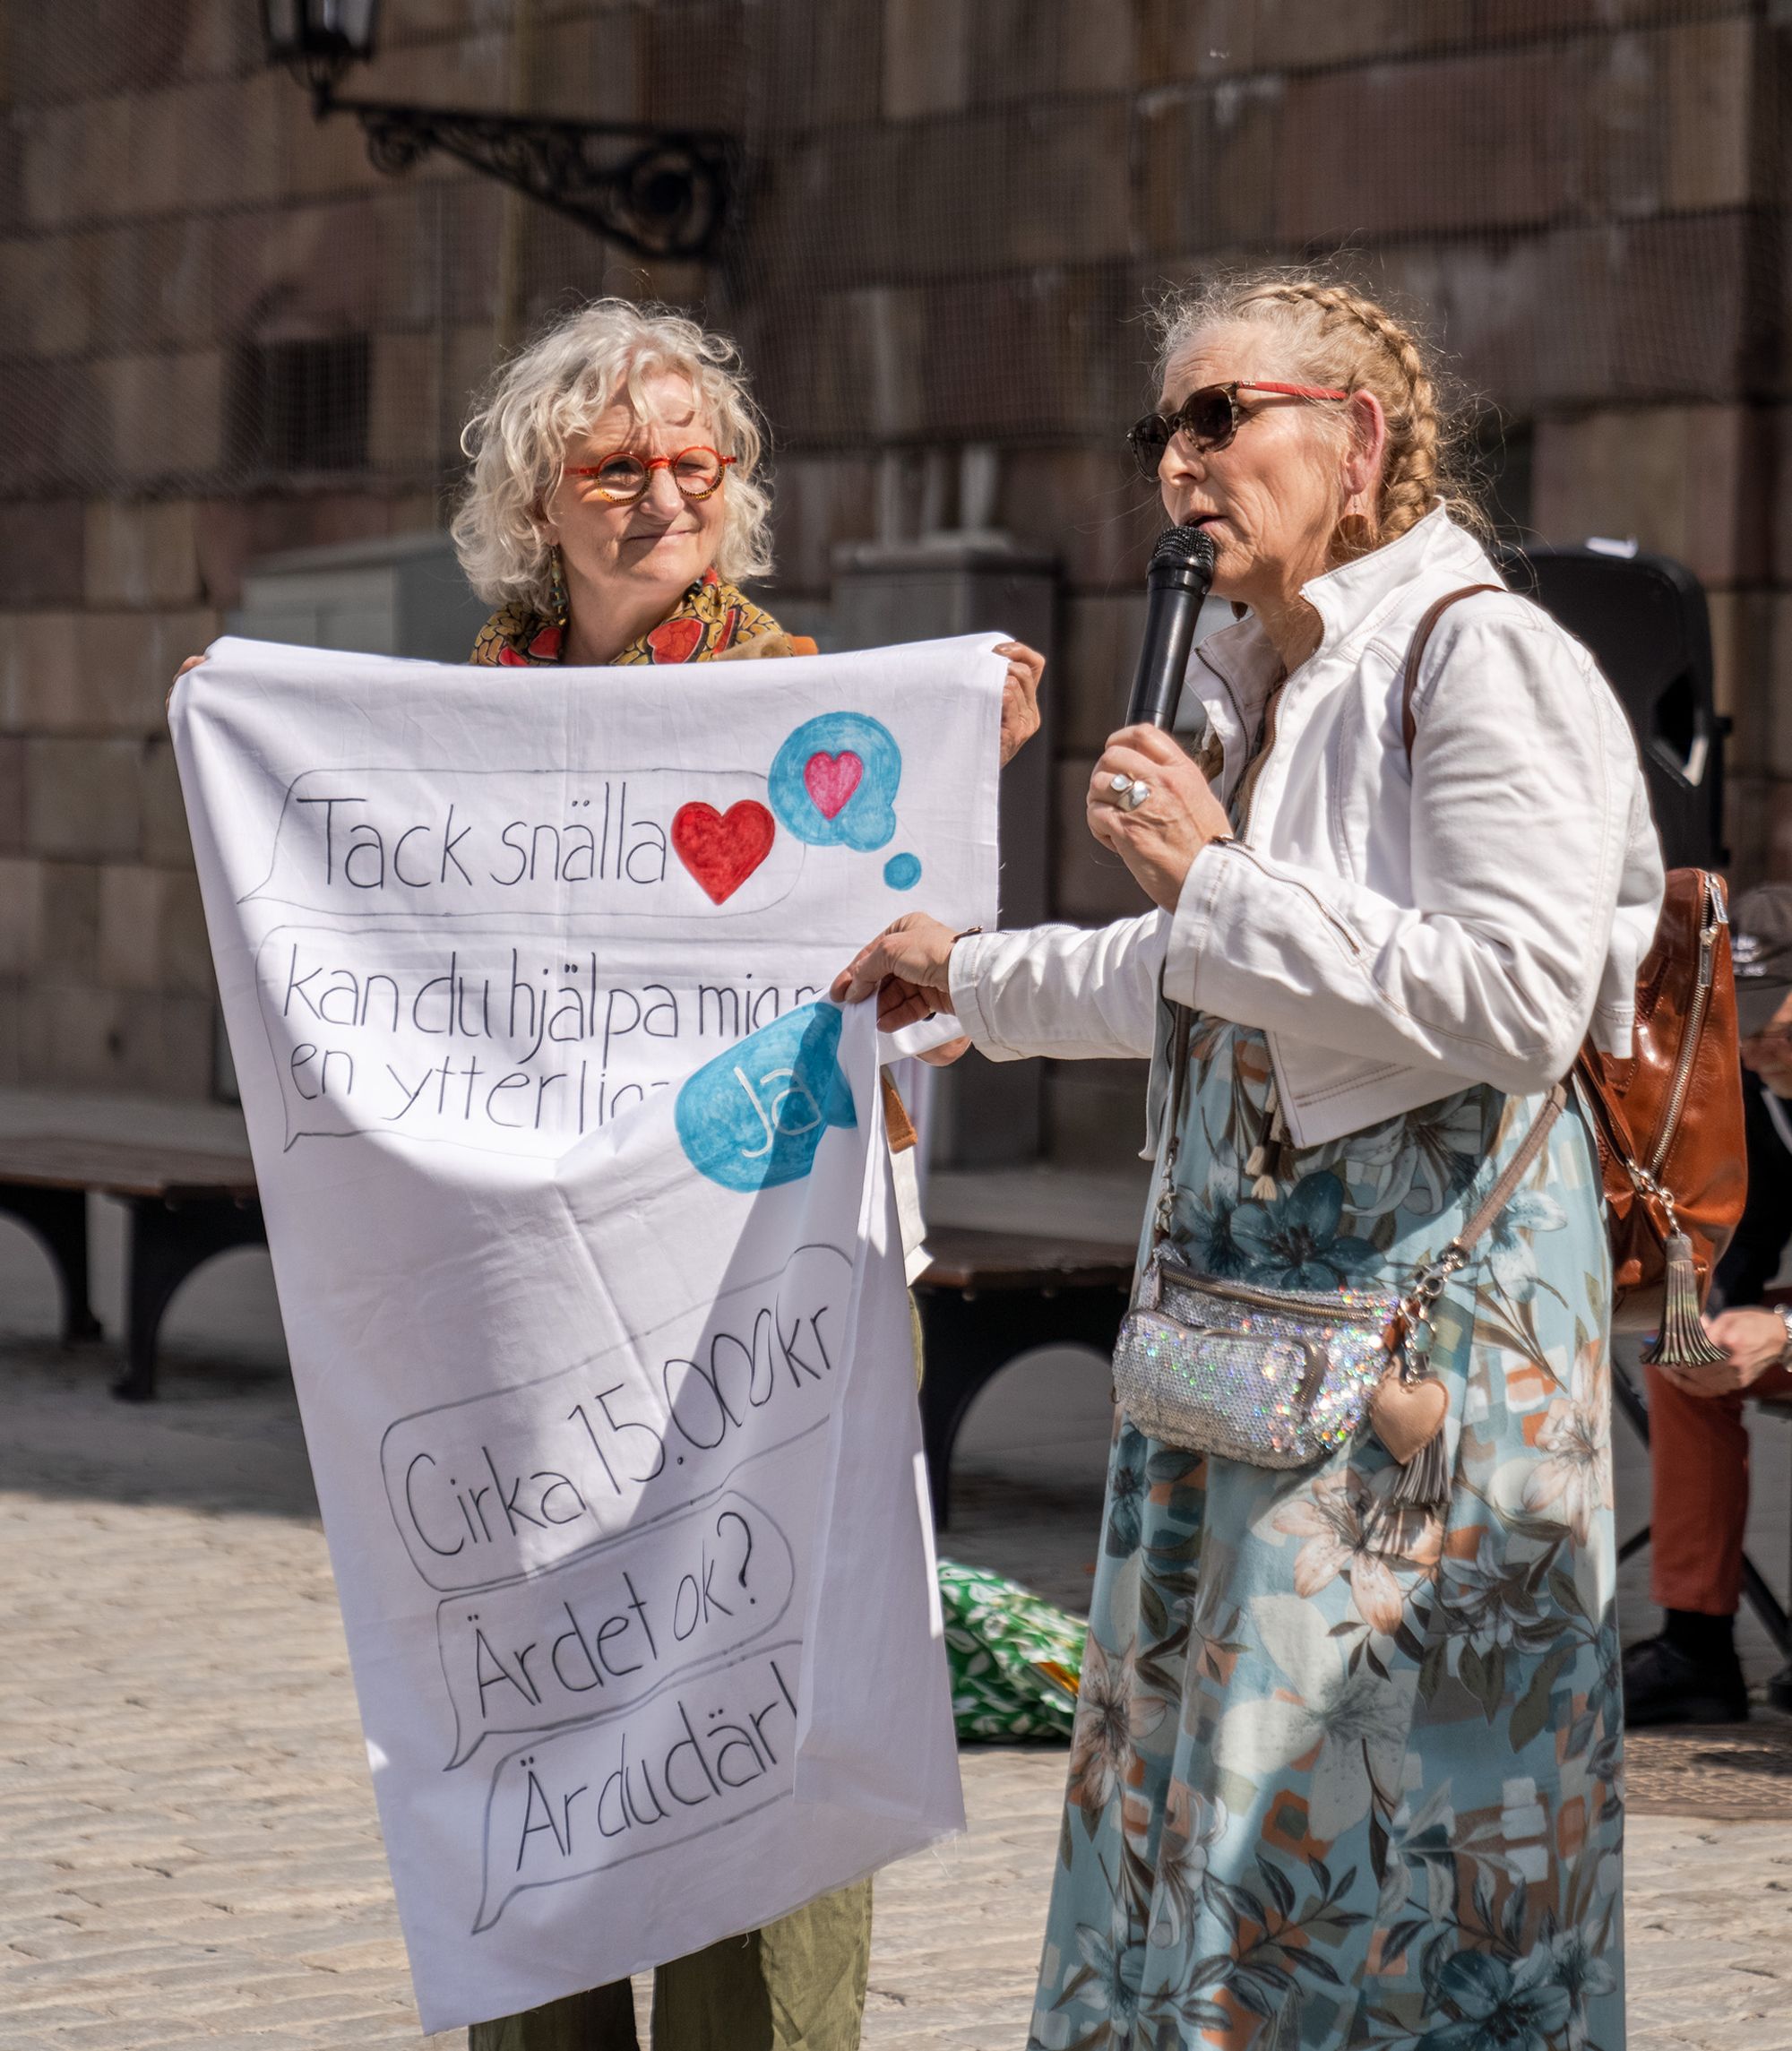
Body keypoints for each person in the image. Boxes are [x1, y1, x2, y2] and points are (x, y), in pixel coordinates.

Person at [836, 273, 1659, 2048]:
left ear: (1356, 441)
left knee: (1386, 1835)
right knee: (1221, 1810)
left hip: (1418, 1370)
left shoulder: (1478, 655)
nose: (1181, 465)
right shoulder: (1263, 679)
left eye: (1223, 417)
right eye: (1163, 432)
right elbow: (1216, 974)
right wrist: (969, 975)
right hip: (1239, 1352)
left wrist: (1214, 877)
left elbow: (1516, 998)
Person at [446, 298, 1043, 2051]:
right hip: (528, 1317)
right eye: (613, 465)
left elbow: (926, 1027)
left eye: (693, 462)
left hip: (767, 1301)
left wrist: (953, 796)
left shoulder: (828, 717)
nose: (659, 494)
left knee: (761, 1747)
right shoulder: (440, 732)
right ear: (533, 501)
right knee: (536, 1743)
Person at [1623, 884, 1792, 1726]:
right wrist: (1709, 1320)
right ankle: (1697, 1645)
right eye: (1744, 1023)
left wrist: (1787, 1333)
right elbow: (1741, 1246)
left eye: (1779, 1025)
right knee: (1682, 1357)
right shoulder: (1753, 1087)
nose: (1760, 1047)